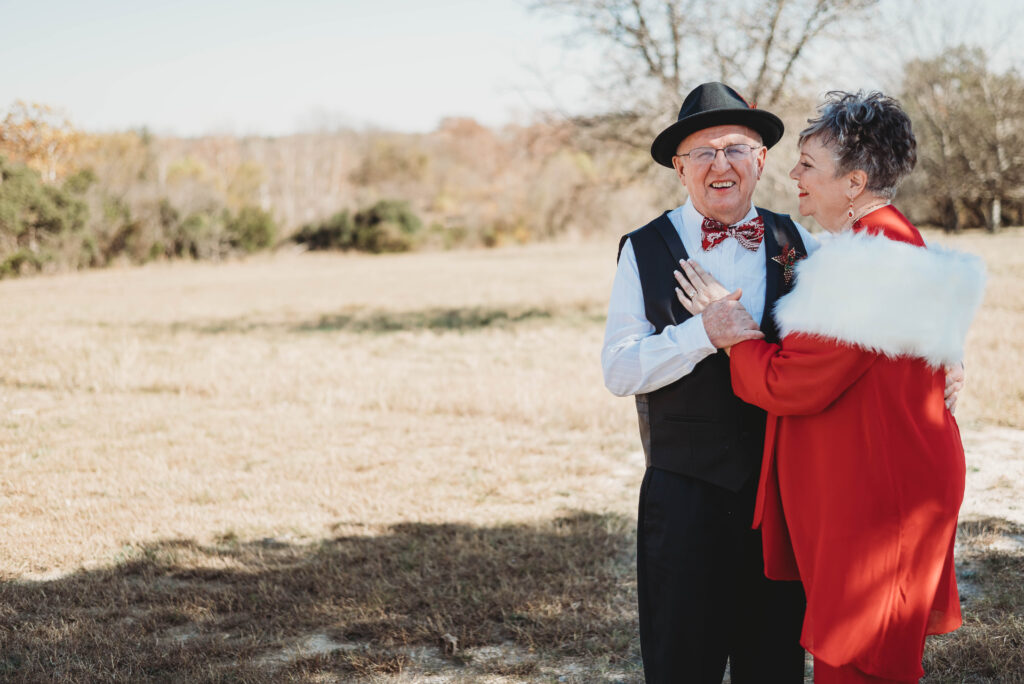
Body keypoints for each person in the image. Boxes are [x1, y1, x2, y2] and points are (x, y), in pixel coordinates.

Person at [676, 91, 985, 683]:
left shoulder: (867, 266)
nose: (792, 174)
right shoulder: (881, 247)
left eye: (809, 165)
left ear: (855, 182)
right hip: (877, 487)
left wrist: (732, 327)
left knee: (859, 661)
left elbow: (790, 383)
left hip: (879, 500)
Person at [602, 82, 815, 683]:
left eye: (736, 149)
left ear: (762, 160)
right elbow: (618, 369)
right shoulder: (643, 249)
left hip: (778, 490)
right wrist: (703, 335)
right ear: (679, 167)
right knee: (681, 663)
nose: (721, 165)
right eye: (703, 152)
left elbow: (859, 329)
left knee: (773, 661)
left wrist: (940, 358)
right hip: (683, 494)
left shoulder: (799, 244)